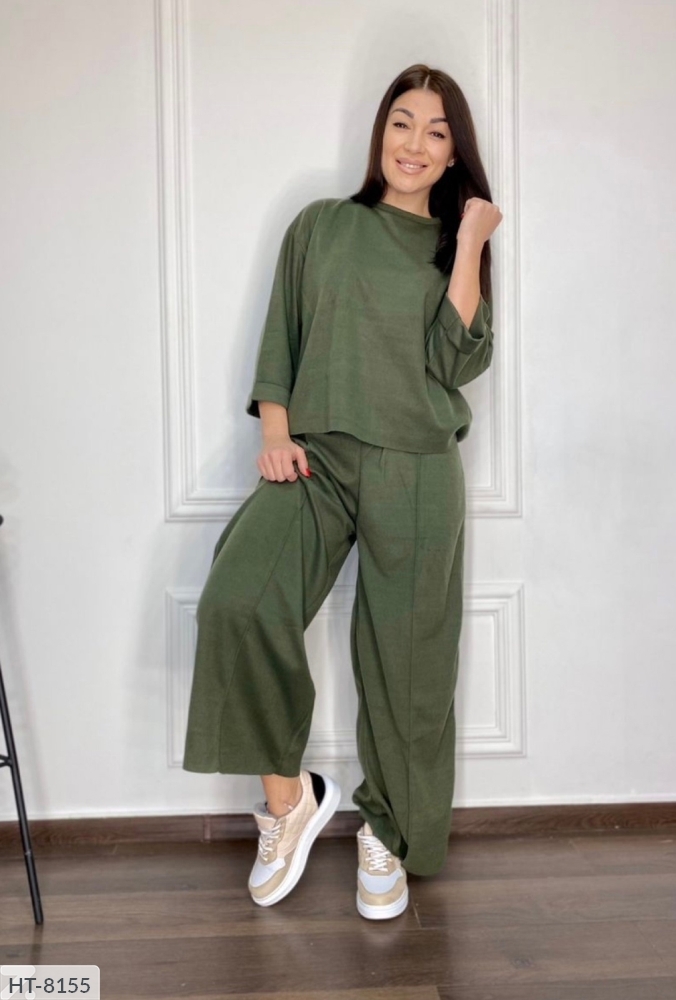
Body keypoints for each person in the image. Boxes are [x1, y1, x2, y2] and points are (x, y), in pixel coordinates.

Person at [182, 62, 502, 921]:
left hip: (416, 465)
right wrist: (274, 431)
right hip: (313, 457)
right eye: (402, 122)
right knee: (239, 601)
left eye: (437, 131)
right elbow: (282, 333)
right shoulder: (321, 224)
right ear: (379, 132)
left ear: (453, 154)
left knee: (409, 665)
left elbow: (456, 362)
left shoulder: (455, 246)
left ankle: (388, 832)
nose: (415, 143)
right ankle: (289, 803)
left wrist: (471, 241)